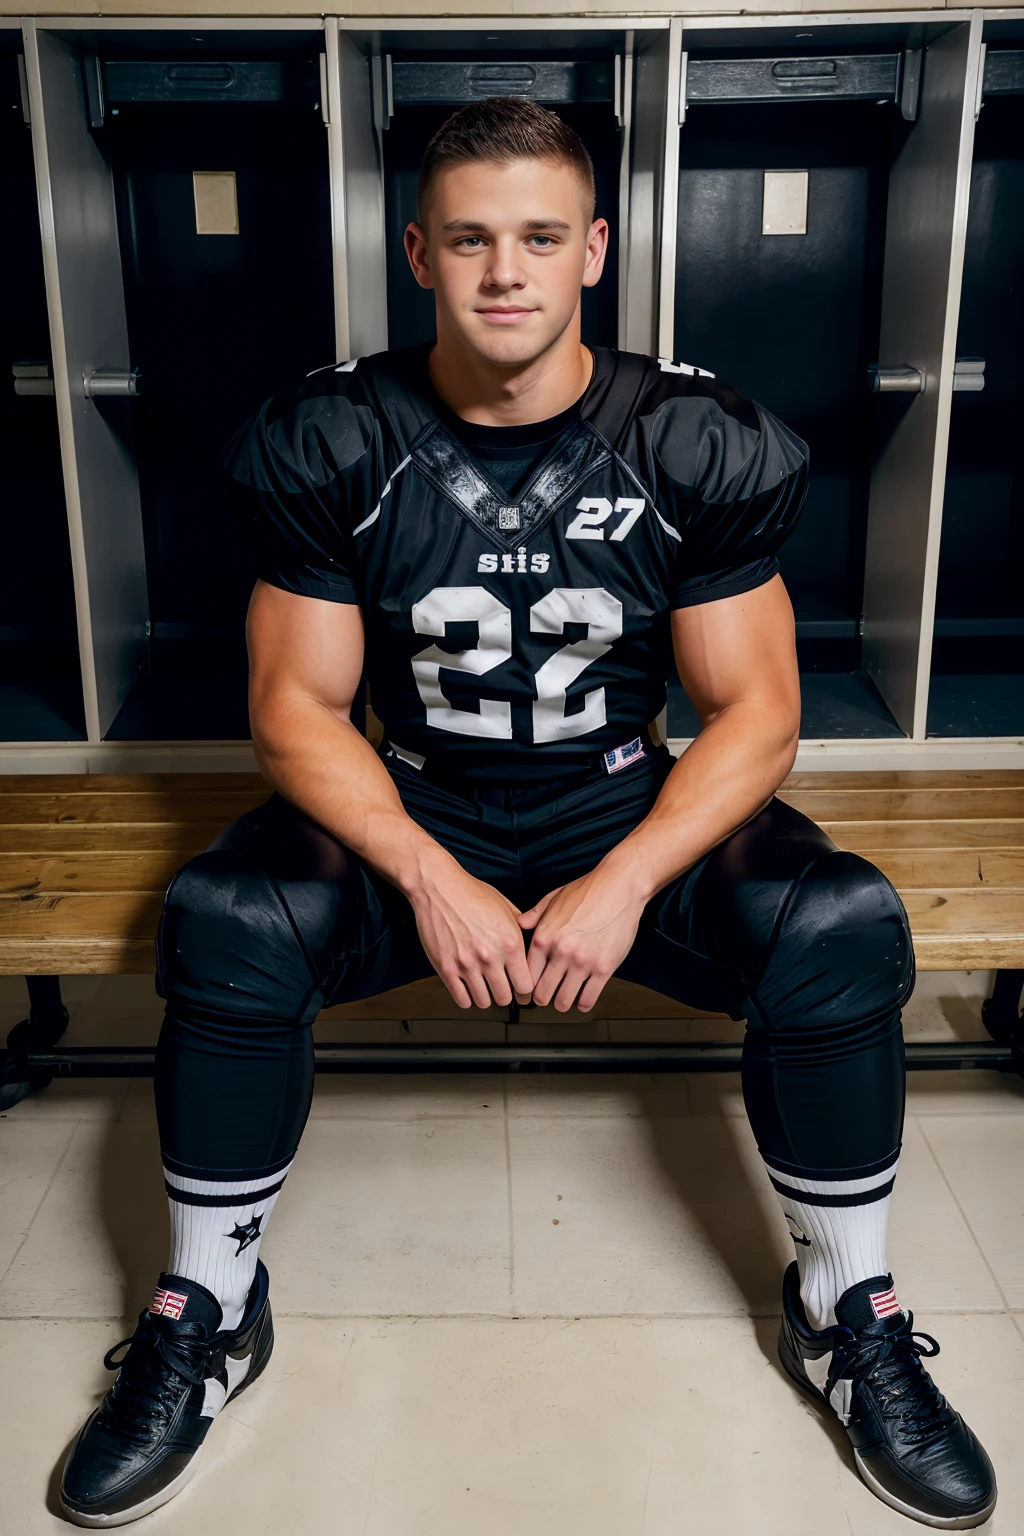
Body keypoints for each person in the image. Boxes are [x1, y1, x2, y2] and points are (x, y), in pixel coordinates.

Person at [60, 97, 995, 1530]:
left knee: (838, 920)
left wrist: (622, 882)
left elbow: (758, 718)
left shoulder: (692, 437)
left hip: (614, 803)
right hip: (414, 802)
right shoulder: (334, 436)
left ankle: (844, 1305)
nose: (509, 269)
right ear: (421, 253)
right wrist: (430, 877)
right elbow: (297, 714)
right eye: (475, 238)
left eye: (542, 237)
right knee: (229, 915)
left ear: (594, 252)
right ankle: (210, 1305)